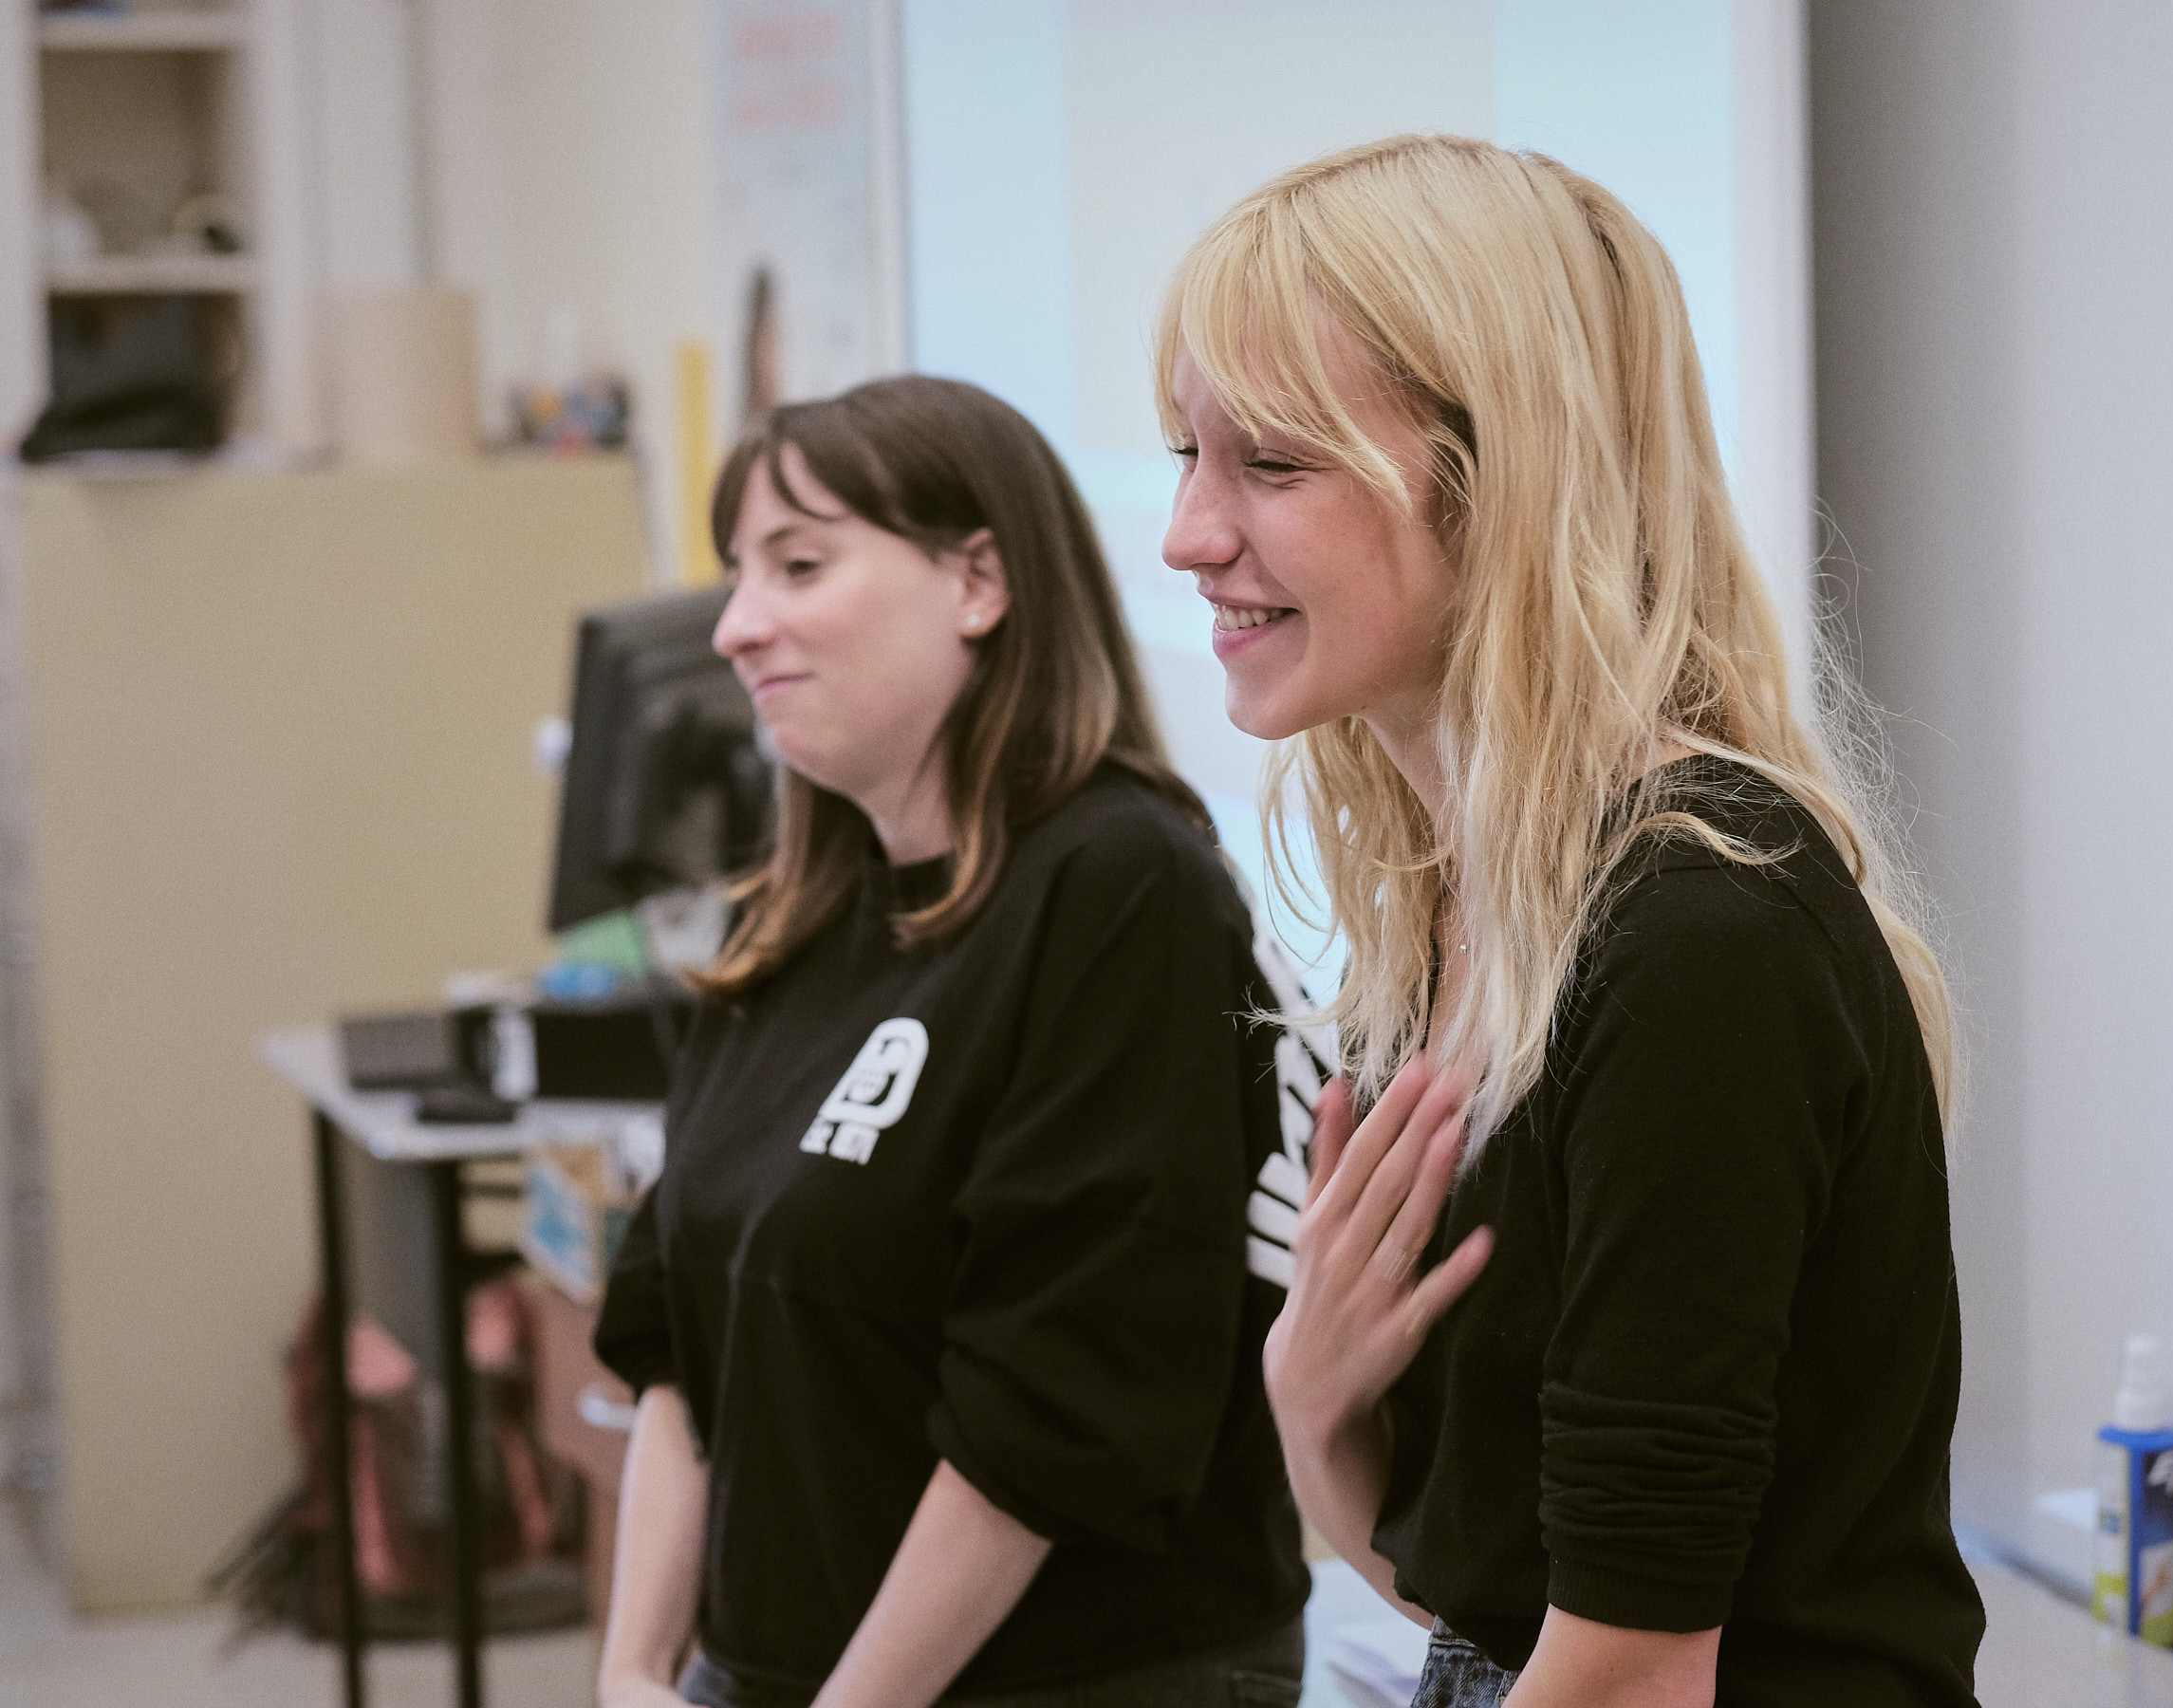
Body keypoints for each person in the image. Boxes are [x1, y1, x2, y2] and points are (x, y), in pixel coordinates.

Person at [1158, 135, 1986, 1706]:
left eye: (1271, 463)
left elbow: (1632, 1668)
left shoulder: (1695, 938)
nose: (1189, 534)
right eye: (1188, 456)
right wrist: (1313, 1409)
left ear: (1501, 484)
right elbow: (1487, 1597)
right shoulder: (1466, 910)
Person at [593, 375, 1309, 1708]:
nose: (737, 628)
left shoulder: (1123, 887)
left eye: (799, 565)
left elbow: (1054, 1413)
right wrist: (635, 1672)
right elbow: (677, 1338)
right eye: (737, 577)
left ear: (977, 581)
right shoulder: (791, 922)